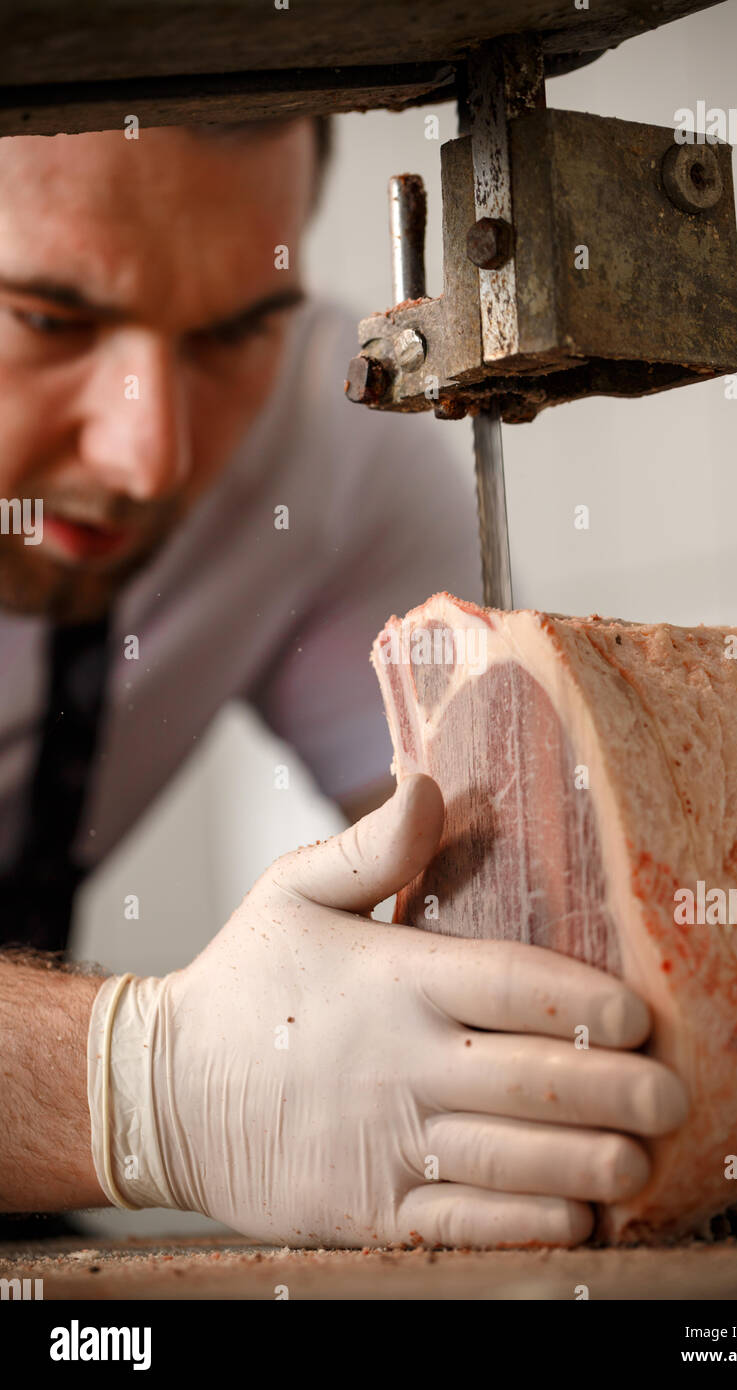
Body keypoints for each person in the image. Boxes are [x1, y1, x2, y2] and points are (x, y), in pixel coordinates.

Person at [0, 117, 687, 1246]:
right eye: (47, 320)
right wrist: (142, 1088)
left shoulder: (329, 446)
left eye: (236, 332)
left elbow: (512, 894)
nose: (149, 458)